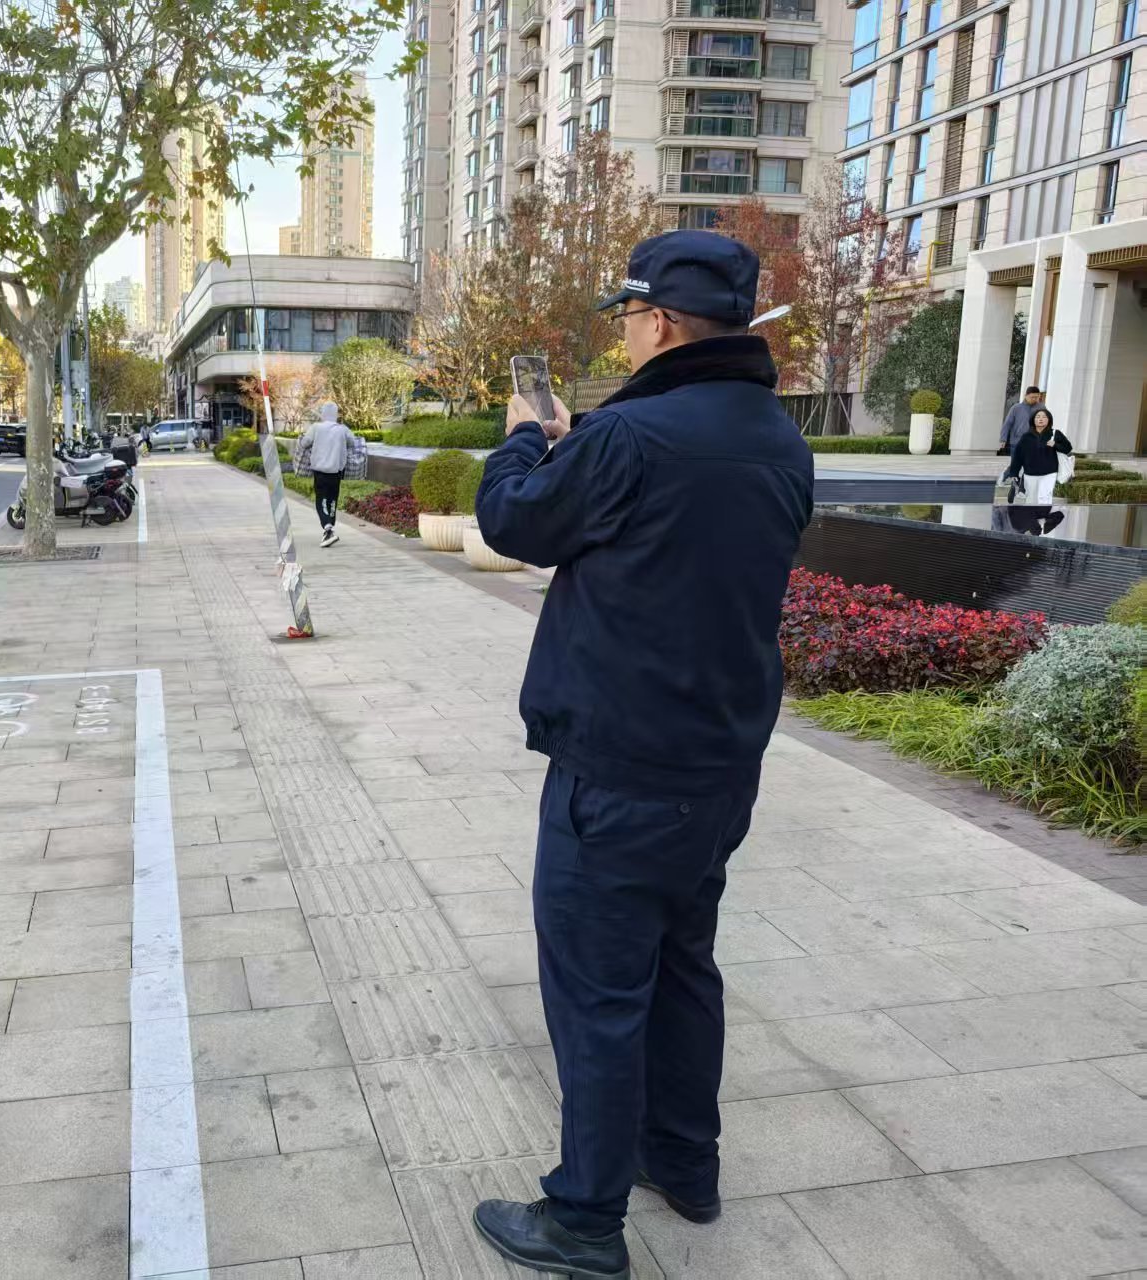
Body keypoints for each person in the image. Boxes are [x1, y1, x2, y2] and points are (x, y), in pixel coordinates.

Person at [471, 231, 814, 1280]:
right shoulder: (778, 439)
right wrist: (577, 445)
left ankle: (583, 1217)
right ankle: (685, 1162)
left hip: (617, 770)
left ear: (658, 321)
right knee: (682, 965)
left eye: (626, 315)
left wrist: (525, 439)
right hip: (717, 768)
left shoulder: (629, 435)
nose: (622, 332)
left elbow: (513, 521)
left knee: (599, 994)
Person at [295, 401, 353, 548]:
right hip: (336, 471)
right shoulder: (343, 429)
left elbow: (304, 443)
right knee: (332, 500)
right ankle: (329, 528)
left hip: (320, 472)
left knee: (321, 500)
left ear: (323, 414)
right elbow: (352, 443)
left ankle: (328, 529)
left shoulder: (316, 427)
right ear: (336, 414)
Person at [1004, 407, 1072, 509]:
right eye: (1038, 417)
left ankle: (1042, 517)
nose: (1041, 419)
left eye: (1044, 417)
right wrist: (1014, 473)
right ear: (1033, 420)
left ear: (1049, 420)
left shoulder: (1055, 434)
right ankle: (1032, 518)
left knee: (1044, 497)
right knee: (1031, 499)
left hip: (1049, 473)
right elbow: (1018, 456)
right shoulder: (1026, 437)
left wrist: (1055, 445)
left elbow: (1068, 448)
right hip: (1030, 473)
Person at [999, 388, 1051, 475]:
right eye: (1032, 397)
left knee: (1031, 465)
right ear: (1026, 396)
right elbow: (1007, 424)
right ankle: (1006, 478)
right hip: (1017, 442)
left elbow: (1047, 423)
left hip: (1034, 442)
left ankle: (1023, 482)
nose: (1034, 399)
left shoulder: (1041, 408)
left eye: (1036, 397)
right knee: (1015, 465)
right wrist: (1003, 439)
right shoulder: (1016, 408)